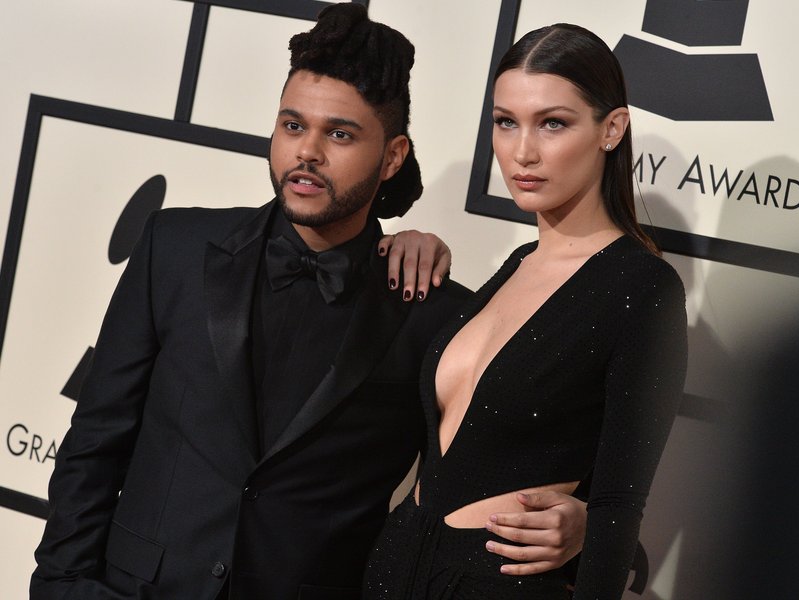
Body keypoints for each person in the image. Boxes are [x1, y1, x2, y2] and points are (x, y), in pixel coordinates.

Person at [30, 7, 587, 600]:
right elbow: (96, 438)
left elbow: (473, 489)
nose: (308, 152)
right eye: (293, 126)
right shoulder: (175, 249)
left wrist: (582, 523)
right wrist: (62, 584)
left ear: (393, 157)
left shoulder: (432, 313)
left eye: (340, 134)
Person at [363, 23, 688, 599]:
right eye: (505, 121)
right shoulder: (514, 264)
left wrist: (589, 528)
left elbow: (617, 506)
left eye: (553, 123)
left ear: (611, 129)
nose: (522, 152)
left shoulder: (643, 288)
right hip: (397, 565)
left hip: (498, 585)